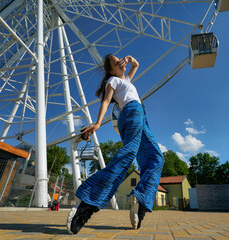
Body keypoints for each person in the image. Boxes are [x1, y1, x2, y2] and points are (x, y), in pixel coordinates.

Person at [66, 54, 164, 234]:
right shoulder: (113, 80)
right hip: (131, 112)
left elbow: (136, 64)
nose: (120, 62)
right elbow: (105, 101)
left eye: (120, 59)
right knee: (128, 155)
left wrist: (128, 58)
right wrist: (97, 123)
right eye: (116, 62)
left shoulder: (125, 79)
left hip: (141, 114)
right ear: (111, 70)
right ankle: (87, 201)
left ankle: (141, 199)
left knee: (156, 157)